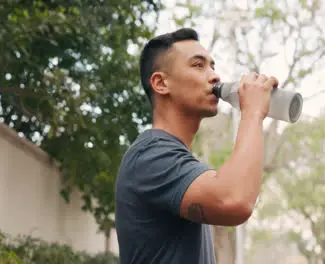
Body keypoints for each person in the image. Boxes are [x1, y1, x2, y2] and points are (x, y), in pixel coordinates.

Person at [114, 28, 278, 264]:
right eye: (198, 65)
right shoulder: (151, 156)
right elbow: (234, 200)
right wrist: (252, 112)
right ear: (161, 83)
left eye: (212, 66)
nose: (214, 76)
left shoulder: (176, 159)